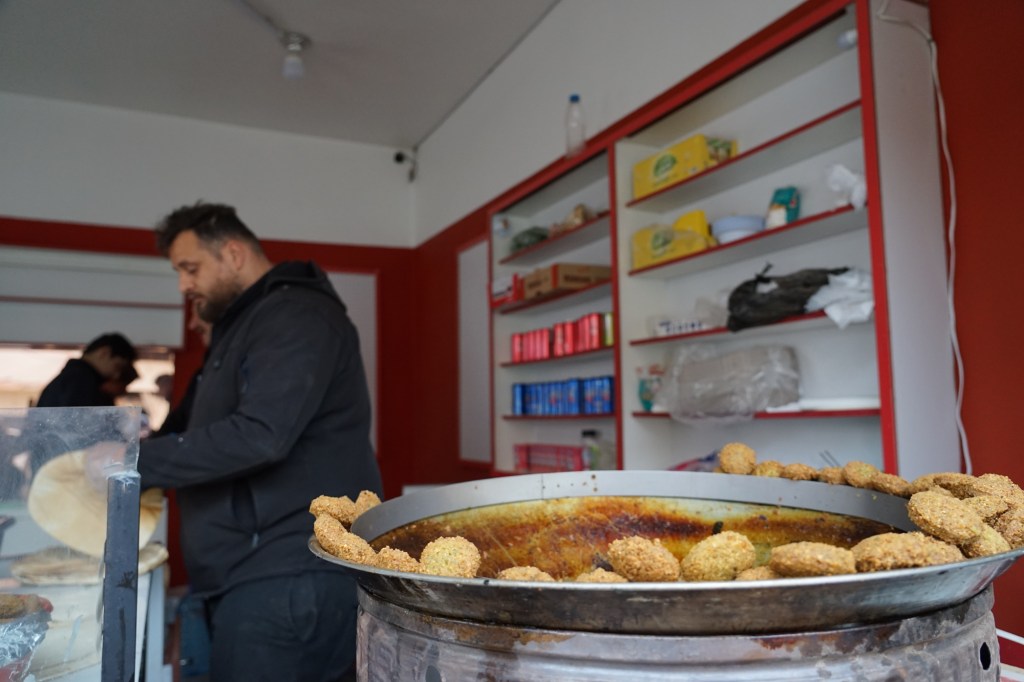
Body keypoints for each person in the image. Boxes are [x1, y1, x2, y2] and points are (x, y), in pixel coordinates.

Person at [137, 201, 382, 681]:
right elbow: (187, 431)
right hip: (246, 574)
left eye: (190, 268)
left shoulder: (296, 315)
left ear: (233, 254)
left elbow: (262, 435)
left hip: (288, 574)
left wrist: (132, 460)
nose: (184, 285)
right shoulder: (241, 328)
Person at [36, 333, 137, 408]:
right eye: (117, 366)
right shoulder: (81, 380)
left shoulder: (72, 378)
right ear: (104, 353)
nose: (116, 375)